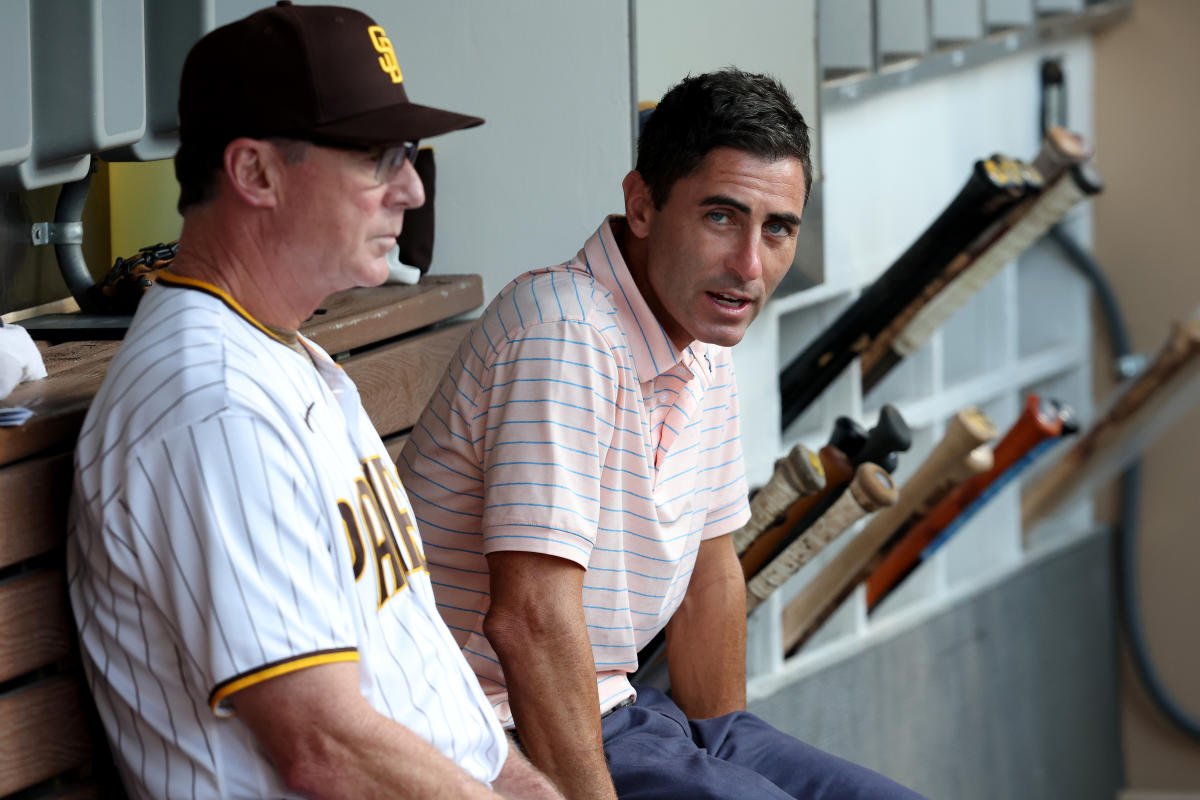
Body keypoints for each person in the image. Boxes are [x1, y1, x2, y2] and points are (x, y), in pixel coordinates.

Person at [67, 4, 562, 799]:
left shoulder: (280, 354)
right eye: (377, 158)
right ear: (255, 173)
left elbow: (420, 683)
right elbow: (323, 748)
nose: (410, 188)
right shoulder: (213, 410)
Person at [397, 69, 929, 799]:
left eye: (777, 229)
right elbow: (529, 620)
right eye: (721, 217)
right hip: (492, 731)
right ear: (641, 205)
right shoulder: (568, 333)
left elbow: (711, 575)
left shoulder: (702, 339)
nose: (750, 265)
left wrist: (726, 756)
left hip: (623, 714)